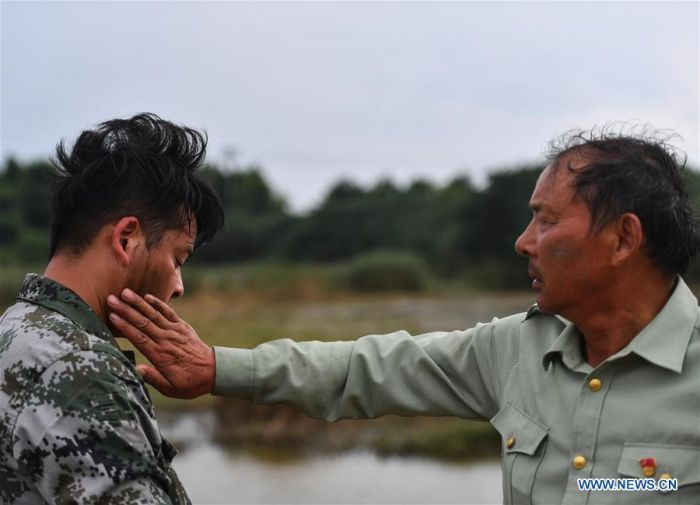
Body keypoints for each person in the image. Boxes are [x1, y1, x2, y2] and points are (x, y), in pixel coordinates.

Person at [108, 129, 700, 504]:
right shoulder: (517, 350)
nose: (524, 242)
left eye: (546, 221)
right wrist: (215, 367)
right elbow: (365, 370)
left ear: (623, 239)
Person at [0, 113, 224, 504]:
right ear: (127, 239)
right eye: (178, 260)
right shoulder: (79, 369)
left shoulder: (15, 326)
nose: (178, 287)